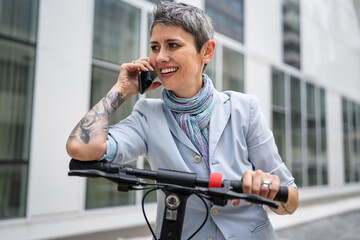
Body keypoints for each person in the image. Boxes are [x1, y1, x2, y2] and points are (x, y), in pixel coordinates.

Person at [66, 2, 299, 239]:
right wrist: (121, 90)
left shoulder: (243, 108)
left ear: (206, 51)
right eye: (155, 47)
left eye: (173, 45)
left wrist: (269, 189)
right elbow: (80, 147)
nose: (160, 57)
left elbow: (291, 200)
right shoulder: (147, 115)